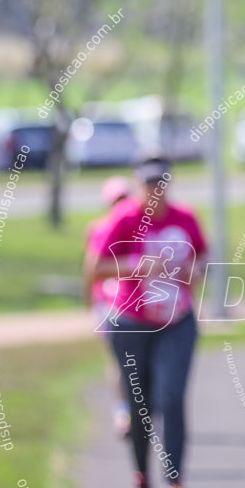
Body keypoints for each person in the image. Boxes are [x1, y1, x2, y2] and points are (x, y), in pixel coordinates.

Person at [91, 154, 208, 488]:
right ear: (138, 185)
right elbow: (97, 267)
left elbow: (203, 259)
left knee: (171, 398)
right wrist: (138, 266)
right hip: (131, 322)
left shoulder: (185, 218)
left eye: (161, 183)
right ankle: (141, 480)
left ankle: (175, 485)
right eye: (148, 184)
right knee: (141, 407)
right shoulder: (123, 218)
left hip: (177, 321)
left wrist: (193, 269)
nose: (155, 190)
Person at [84, 176, 134, 437]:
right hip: (107, 304)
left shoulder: (138, 226)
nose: (121, 204)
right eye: (117, 200)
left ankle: (140, 410)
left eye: (124, 199)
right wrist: (89, 301)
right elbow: (90, 269)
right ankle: (122, 411)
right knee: (118, 360)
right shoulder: (99, 228)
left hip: (132, 305)